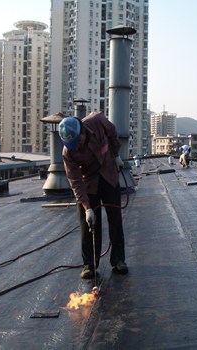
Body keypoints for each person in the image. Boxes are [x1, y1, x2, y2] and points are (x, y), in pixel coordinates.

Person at [59, 111, 128, 279]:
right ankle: (90, 264)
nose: (76, 147)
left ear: (82, 130)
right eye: (72, 145)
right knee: (88, 224)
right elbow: (74, 180)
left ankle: (118, 259)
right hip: (89, 183)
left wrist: (117, 155)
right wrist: (87, 207)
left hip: (108, 173)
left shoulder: (97, 121)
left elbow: (112, 133)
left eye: (78, 142)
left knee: (115, 219)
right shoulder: (68, 151)